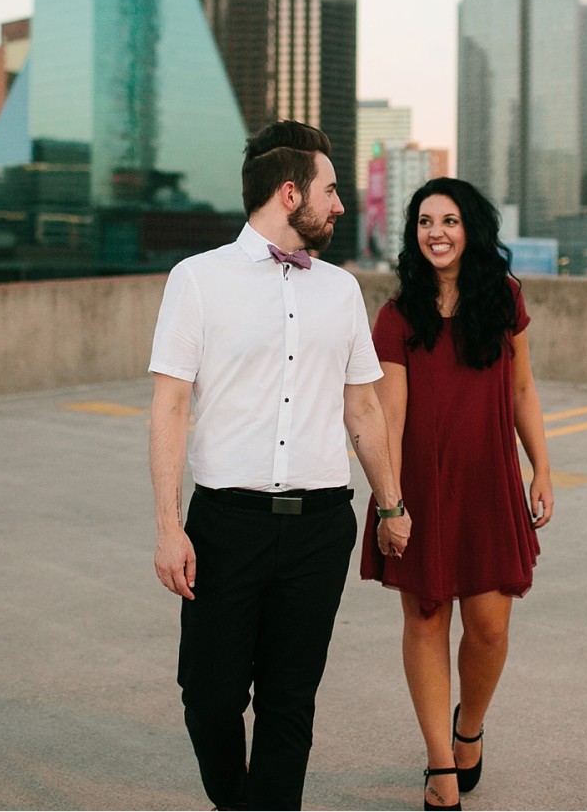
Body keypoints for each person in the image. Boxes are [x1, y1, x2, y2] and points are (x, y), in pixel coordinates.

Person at [150, 120, 413, 811]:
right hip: (224, 524)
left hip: (319, 526)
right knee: (208, 697)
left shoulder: (342, 291)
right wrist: (168, 526)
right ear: (290, 191)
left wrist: (390, 504)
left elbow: (365, 411)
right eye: (330, 190)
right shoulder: (198, 280)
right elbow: (170, 406)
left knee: (290, 702)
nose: (340, 206)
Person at [360, 177, 554, 810]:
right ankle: (441, 765)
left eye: (448, 220)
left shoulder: (504, 298)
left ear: (471, 228)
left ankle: (468, 727)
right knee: (425, 618)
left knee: (490, 627)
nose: (435, 232)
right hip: (421, 489)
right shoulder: (396, 316)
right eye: (424, 222)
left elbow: (523, 390)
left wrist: (542, 470)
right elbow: (389, 417)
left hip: (490, 483)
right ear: (413, 235)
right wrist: (391, 502)